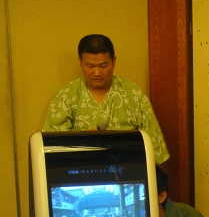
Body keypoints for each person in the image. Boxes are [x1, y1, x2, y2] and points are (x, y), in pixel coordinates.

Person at [43, 34, 170, 164]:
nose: (97, 73)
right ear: (80, 62)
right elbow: (54, 149)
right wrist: (83, 142)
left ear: (114, 61)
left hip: (129, 172)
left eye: (103, 66)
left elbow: (153, 146)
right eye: (90, 66)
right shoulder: (66, 97)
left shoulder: (133, 94)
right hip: (80, 175)